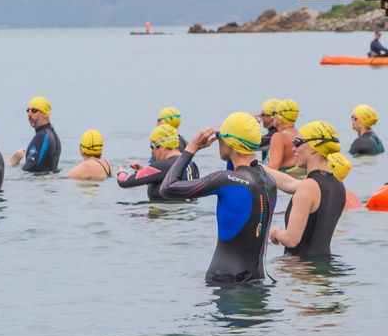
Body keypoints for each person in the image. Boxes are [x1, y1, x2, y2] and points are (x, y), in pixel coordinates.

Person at [159, 112, 278, 283]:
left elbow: (168, 188)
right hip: (257, 278)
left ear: (230, 141)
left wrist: (191, 147)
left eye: (220, 137)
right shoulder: (270, 181)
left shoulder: (226, 179)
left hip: (225, 280)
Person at [262, 121, 346, 256]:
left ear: (313, 147)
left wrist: (275, 232)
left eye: (297, 142)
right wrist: (258, 167)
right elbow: (289, 184)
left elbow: (291, 240)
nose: (293, 148)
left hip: (300, 272)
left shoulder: (308, 186)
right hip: (322, 269)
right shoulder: (338, 185)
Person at [116, 123, 200, 201]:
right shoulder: (191, 164)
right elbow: (173, 187)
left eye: (152, 146)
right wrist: (144, 172)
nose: (151, 152)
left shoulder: (162, 165)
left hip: (167, 215)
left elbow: (124, 182)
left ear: (163, 146)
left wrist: (121, 172)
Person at [9, 96, 61, 173]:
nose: (29, 114)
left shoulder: (41, 137)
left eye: (34, 110)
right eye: (28, 111)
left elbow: (29, 169)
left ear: (45, 114)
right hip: (47, 182)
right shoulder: (53, 134)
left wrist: (12, 163)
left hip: (38, 183)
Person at [266, 98, 300, 171]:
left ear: (279, 116)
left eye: (273, 113)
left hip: (282, 181)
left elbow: (272, 170)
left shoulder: (279, 137)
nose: (272, 117)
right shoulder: (301, 135)